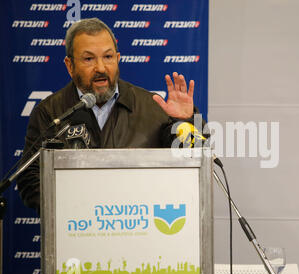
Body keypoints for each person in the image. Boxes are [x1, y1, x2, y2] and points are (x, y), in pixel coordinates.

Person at [16, 18, 203, 215]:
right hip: (76, 229)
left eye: (108, 57)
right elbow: (30, 179)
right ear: (69, 65)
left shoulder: (153, 106)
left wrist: (187, 121)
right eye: (89, 59)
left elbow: (194, 159)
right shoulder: (50, 112)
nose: (101, 68)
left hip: (140, 230)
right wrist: (76, 209)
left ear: (118, 58)